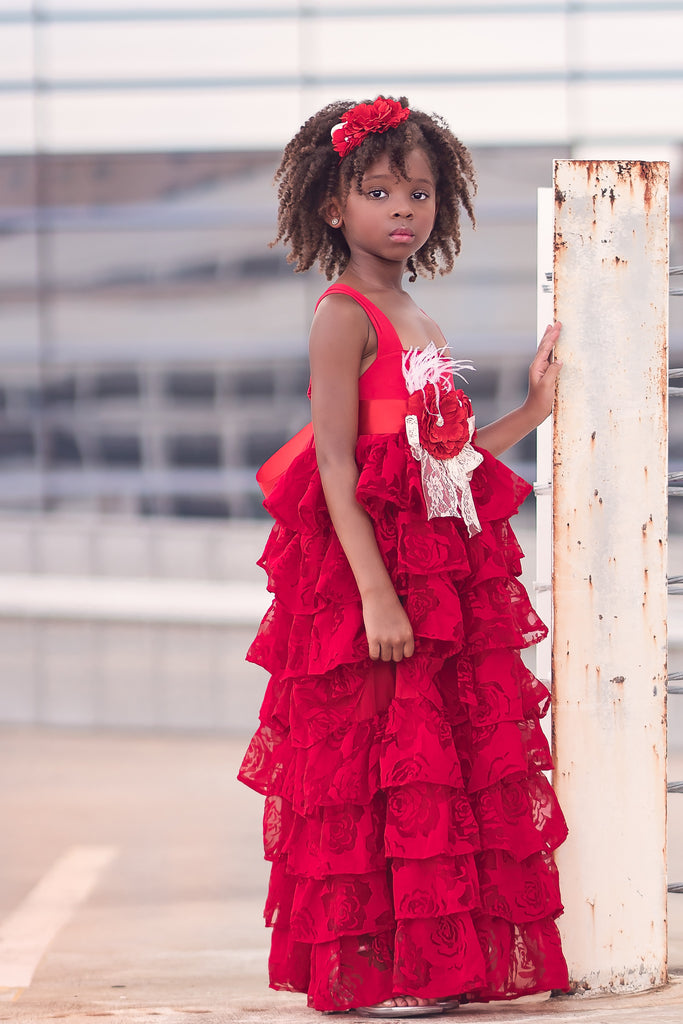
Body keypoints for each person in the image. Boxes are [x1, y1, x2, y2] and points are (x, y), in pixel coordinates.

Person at [238, 95, 569, 1018]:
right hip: (374, 573)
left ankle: (440, 962)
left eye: (418, 193)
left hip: (441, 565)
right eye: (377, 190)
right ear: (331, 206)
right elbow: (338, 464)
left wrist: (532, 413)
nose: (402, 209)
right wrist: (378, 597)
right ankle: (390, 970)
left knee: (439, 756)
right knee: (383, 757)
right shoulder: (343, 313)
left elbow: (444, 461)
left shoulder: (412, 308)